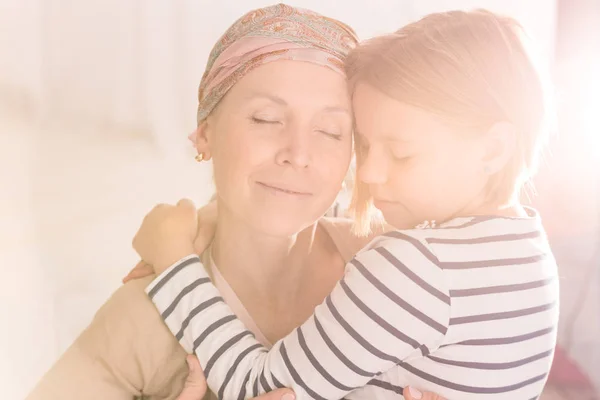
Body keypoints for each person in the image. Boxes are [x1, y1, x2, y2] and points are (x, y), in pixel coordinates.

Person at [134, 8, 559, 400]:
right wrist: (215, 216)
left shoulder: (415, 267)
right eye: (364, 145)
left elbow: (259, 388)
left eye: (401, 153)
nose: (368, 174)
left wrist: (173, 257)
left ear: (492, 150)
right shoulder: (528, 253)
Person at [25, 4, 439, 400]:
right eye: (266, 119)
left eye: (331, 131)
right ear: (205, 132)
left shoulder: (407, 276)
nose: (297, 152)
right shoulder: (143, 320)